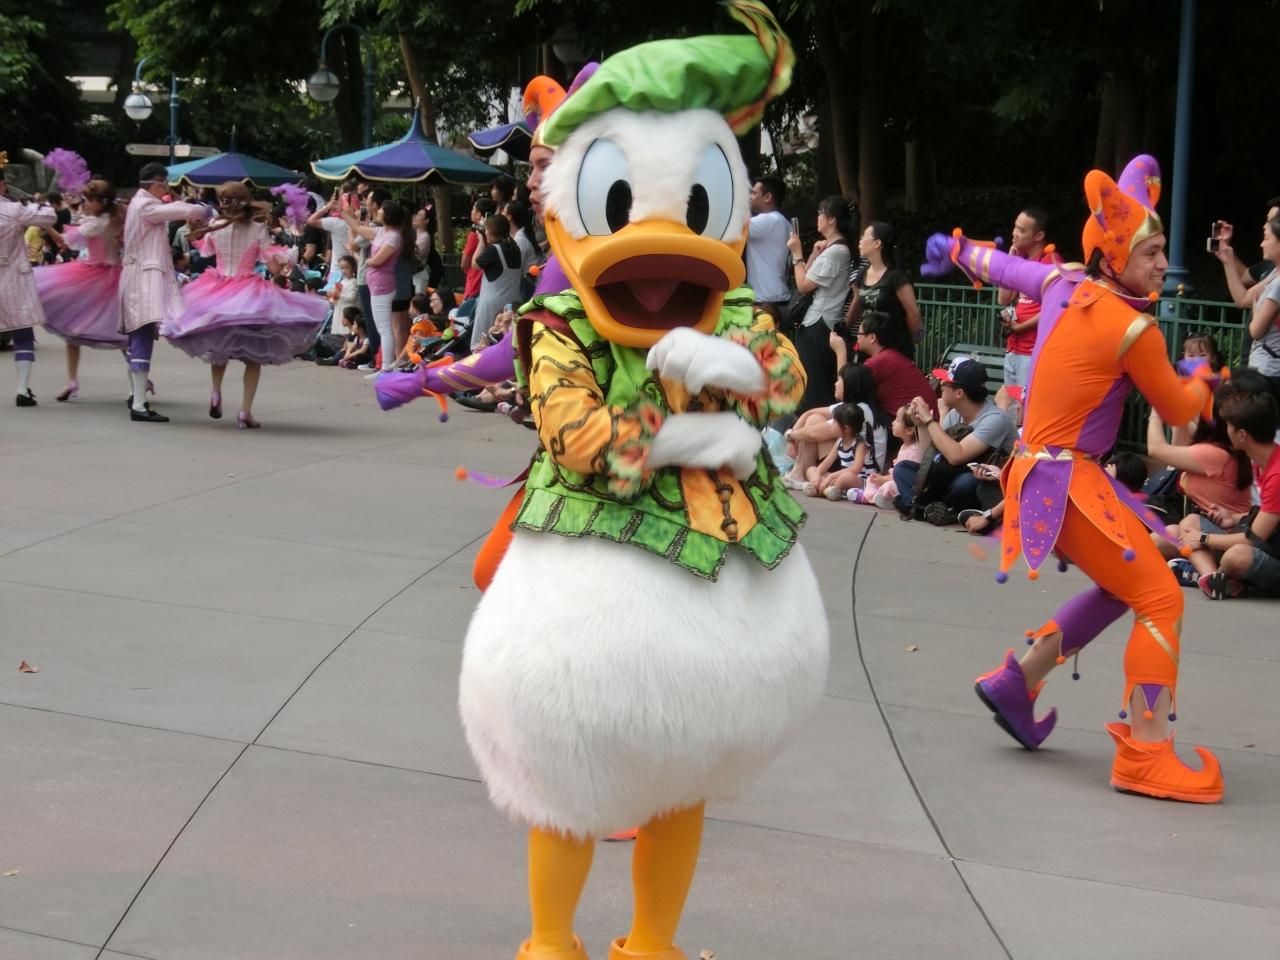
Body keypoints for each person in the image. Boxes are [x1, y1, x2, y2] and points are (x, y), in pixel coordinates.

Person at [457, 6, 827, 956]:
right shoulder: (559, 326)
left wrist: (739, 368)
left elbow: (788, 382)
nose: (662, 248)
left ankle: (652, 942)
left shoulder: (735, 311)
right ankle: (551, 940)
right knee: (569, 777)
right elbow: (577, 435)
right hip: (588, 586)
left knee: (683, 785)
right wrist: (688, 436)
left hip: (724, 586)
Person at [928, 153, 1224, 802]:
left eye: (1163, 251)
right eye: (1151, 253)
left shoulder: (1063, 283)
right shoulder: (1133, 327)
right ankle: (1146, 753)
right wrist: (1206, 382)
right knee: (1162, 599)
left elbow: (1004, 267)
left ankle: (1018, 680)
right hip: (1067, 481)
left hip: (1039, 474)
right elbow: (1178, 410)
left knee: (1126, 586)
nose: (1163, 263)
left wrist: (955, 249)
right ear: (1114, 256)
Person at [166, 181, 327, 428]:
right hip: (248, 293)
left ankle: (216, 392)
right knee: (254, 356)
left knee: (218, 347)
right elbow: (273, 267)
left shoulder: (216, 226)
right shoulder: (258, 229)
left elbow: (206, 254)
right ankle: (245, 411)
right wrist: (289, 256)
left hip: (216, 289)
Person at [118, 162, 209, 422]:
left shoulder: (139, 203)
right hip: (143, 279)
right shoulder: (146, 205)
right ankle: (138, 404)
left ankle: (136, 396)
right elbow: (182, 210)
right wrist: (201, 208)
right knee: (142, 336)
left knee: (139, 337)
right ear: (156, 184)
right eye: (165, 184)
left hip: (137, 277)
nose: (167, 189)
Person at [34, 178, 135, 403]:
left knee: (81, 329)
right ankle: (137, 379)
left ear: (100, 201)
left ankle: (74, 380)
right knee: (119, 333)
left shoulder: (98, 223)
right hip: (110, 274)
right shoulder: (116, 216)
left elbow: (63, 241)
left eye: (88, 200)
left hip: (96, 276)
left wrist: (45, 223)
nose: (85, 203)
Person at [1178, 388, 1280, 600]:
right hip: (1269, 545)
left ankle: (1209, 576)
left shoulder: (1277, 473)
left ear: (1242, 435)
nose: (1226, 430)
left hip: (1267, 552)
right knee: (1190, 523)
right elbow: (1271, 514)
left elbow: (1253, 541)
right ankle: (1212, 579)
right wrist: (1233, 518)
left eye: (1229, 425)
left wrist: (1204, 538)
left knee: (1236, 555)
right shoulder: (1261, 461)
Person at [899, 357, 1015, 523]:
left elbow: (956, 456)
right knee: (903, 468)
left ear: (959, 393)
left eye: (945, 383)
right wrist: (921, 425)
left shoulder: (995, 419)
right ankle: (931, 510)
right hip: (951, 476)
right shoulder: (956, 413)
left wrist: (929, 421)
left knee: (967, 482)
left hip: (988, 485)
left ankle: (923, 507)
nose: (940, 385)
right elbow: (931, 456)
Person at [785, 195, 852, 412]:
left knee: (813, 387)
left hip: (819, 324)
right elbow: (807, 274)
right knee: (810, 382)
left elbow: (803, 285)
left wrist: (797, 253)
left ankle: (814, 424)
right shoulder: (832, 250)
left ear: (831, 219)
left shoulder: (837, 252)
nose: (818, 218)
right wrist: (813, 254)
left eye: (820, 213)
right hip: (816, 323)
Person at [0, 160, 56, 406]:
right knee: (23, 333)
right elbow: (50, 216)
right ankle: (23, 389)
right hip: (13, 278)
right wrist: (36, 202)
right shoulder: (14, 209)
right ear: (3, 184)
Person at [1216, 215, 1280, 401]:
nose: (1262, 244)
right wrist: (1227, 260)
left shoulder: (1278, 283)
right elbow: (1242, 298)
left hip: (1269, 372)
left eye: (1266, 238)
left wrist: (1256, 309)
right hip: (1265, 369)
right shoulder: (1275, 274)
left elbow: (1256, 330)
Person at [996, 207, 1056, 388]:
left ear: (1039, 236)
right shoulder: (1022, 261)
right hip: (1013, 348)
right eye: (1015, 227)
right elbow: (1003, 299)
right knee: (1011, 403)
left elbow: (1053, 308)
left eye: (1021, 230)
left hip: (1033, 351)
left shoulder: (1050, 262)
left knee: (1025, 404)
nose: (1014, 233)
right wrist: (1009, 262)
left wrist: (1021, 327)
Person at [845, 220, 920, 360]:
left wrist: (910, 343)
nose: (860, 241)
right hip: (868, 348)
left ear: (877, 243)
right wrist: (844, 329)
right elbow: (857, 302)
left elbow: (914, 315)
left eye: (864, 237)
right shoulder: (862, 274)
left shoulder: (896, 277)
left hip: (894, 349)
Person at [855, 309, 936, 420]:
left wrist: (840, 352)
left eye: (859, 333)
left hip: (915, 422)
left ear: (872, 337)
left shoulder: (879, 362)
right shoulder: (890, 355)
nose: (857, 337)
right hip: (922, 418)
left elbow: (848, 391)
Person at [471, 214, 524, 351]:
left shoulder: (494, 250)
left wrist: (481, 242)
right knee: (506, 343)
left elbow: (474, 264)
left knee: (480, 345)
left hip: (491, 304)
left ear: (491, 231)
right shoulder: (515, 248)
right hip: (511, 303)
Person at [803, 402, 868, 500]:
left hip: (858, 481)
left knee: (846, 477)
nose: (831, 425)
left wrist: (831, 476)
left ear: (845, 428)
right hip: (840, 478)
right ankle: (823, 488)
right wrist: (817, 476)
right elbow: (825, 464)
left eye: (834, 422)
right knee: (811, 470)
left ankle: (823, 490)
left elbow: (856, 469)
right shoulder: (839, 442)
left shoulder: (859, 444)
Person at [746, 174, 790, 317]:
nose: (750, 197)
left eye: (754, 193)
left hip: (766, 303)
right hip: (778, 300)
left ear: (767, 197)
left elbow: (731, 226)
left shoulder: (768, 220)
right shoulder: (784, 222)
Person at [458, 197, 496, 317]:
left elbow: (464, 263)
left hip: (474, 283)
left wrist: (469, 271)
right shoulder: (493, 235)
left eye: (473, 209)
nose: (471, 211)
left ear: (479, 214)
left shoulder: (475, 234)